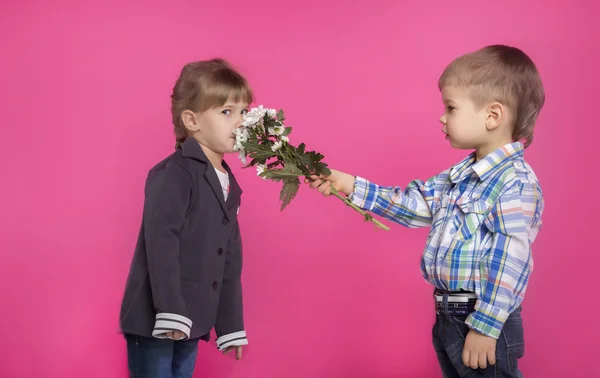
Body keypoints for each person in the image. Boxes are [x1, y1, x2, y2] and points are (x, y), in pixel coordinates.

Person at [307, 45, 545, 377]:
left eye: (451, 108)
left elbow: (511, 259)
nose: (441, 117)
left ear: (492, 116)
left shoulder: (513, 182)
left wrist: (486, 327)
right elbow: (411, 204)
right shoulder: (457, 177)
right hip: (448, 314)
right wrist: (348, 184)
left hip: (479, 318)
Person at [119, 58, 252, 378]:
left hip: (194, 319)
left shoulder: (229, 184)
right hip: (157, 319)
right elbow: (161, 243)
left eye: (244, 112)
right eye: (226, 112)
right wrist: (171, 310)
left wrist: (230, 325)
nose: (240, 123)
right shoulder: (173, 174)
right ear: (192, 120)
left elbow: (229, 259)